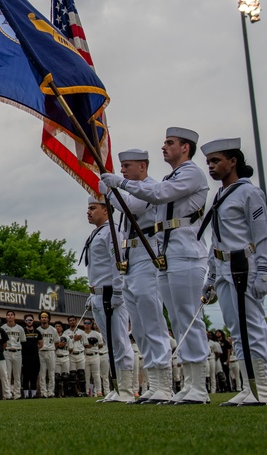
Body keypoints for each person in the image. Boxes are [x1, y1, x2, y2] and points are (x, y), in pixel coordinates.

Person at [102, 126, 211, 404]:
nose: (164, 146)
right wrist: (115, 188)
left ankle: (193, 384)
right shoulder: (168, 177)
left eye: (170, 142)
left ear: (185, 147)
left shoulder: (187, 174)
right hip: (159, 254)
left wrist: (116, 186)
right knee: (153, 324)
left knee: (175, 320)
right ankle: (173, 384)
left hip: (178, 253)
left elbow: (144, 201)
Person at [199, 138, 267, 407]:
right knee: (236, 329)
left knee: (251, 326)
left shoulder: (249, 193)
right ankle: (249, 386)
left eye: (216, 160)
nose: (210, 166)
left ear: (233, 162)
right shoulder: (220, 195)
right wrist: (210, 276)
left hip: (243, 266)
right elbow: (215, 239)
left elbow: (263, 236)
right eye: (208, 161)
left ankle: (262, 390)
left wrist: (264, 270)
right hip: (222, 266)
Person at [103, 148, 174, 403]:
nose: (123, 171)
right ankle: (154, 384)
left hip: (147, 254)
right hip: (130, 257)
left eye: (128, 166)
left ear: (143, 166)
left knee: (152, 319)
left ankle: (165, 383)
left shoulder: (149, 188)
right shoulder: (131, 188)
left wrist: (112, 192)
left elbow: (131, 206)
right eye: (122, 167)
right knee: (140, 327)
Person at [81, 196, 134, 402]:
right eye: (88, 208)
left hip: (111, 293)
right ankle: (116, 387)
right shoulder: (97, 233)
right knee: (109, 343)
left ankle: (127, 390)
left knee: (120, 341)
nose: (88, 212)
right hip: (99, 294)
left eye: (93, 208)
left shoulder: (112, 231)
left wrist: (119, 291)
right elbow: (97, 269)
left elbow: (117, 262)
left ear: (106, 210)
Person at [1, 310, 25, 400]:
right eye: (8, 315)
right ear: (6, 317)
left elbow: (23, 341)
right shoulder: (3, 328)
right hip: (7, 351)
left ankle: (17, 394)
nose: (10, 316)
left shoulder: (20, 328)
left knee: (17, 374)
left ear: (14, 317)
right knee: (7, 374)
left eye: (12, 315)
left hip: (18, 351)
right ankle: (7, 394)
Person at [37, 312, 58, 398]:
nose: (44, 319)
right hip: (41, 352)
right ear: (40, 319)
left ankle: (51, 392)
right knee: (42, 374)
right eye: (42, 317)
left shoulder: (53, 330)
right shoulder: (38, 329)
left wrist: (52, 349)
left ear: (48, 319)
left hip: (50, 351)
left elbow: (56, 342)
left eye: (45, 317)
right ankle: (43, 392)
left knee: (51, 373)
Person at [65, 315, 86, 397]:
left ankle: (83, 392)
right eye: (70, 320)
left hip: (80, 354)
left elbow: (86, 343)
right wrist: (73, 339)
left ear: (76, 321)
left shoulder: (81, 332)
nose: (72, 322)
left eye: (73, 320)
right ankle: (74, 393)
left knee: (81, 374)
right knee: (72, 375)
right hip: (71, 355)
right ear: (68, 322)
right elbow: (65, 344)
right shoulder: (65, 333)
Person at [82, 318, 104, 396]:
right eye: (85, 323)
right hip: (85, 355)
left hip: (95, 355)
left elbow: (101, 344)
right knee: (86, 375)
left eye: (88, 323)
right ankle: (88, 391)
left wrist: (93, 345)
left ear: (91, 324)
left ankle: (99, 391)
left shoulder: (96, 334)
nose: (87, 325)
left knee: (96, 374)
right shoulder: (82, 334)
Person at [21, 313, 40, 398]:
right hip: (25, 356)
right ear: (25, 321)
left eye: (31, 320)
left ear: (33, 321)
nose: (29, 322)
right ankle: (25, 394)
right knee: (25, 376)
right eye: (27, 320)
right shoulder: (22, 331)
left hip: (35, 357)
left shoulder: (37, 332)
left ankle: (33, 394)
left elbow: (41, 343)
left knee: (34, 375)